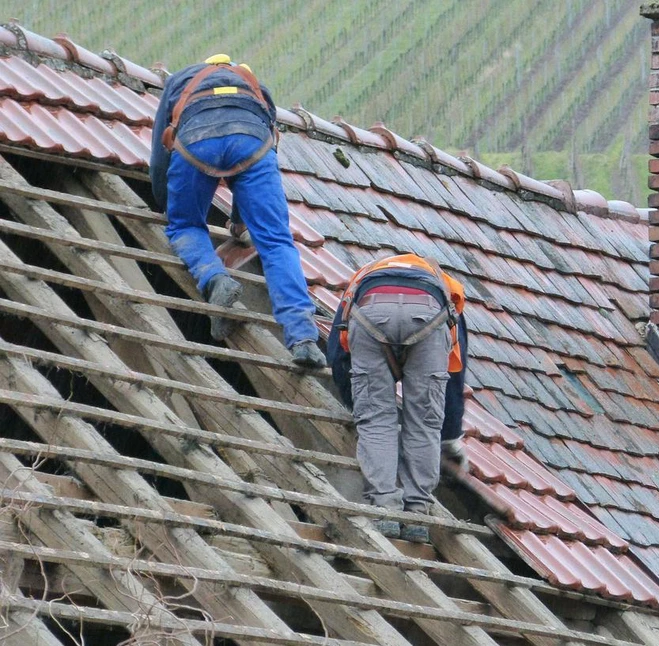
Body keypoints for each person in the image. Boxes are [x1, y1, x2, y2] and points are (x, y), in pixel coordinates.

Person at [150, 54, 325, 368]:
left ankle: (215, 279)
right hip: (252, 144)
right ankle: (304, 339)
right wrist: (240, 223)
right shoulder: (254, 85)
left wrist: (168, 205)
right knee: (275, 242)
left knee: (186, 227)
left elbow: (160, 154)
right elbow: (261, 152)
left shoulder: (180, 81)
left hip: (195, 141)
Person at [327, 254, 469, 542]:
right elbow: (455, 367)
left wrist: (357, 405)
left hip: (370, 312)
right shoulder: (448, 287)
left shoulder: (360, 281)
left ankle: (385, 510)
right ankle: (416, 513)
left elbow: (338, 354)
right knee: (424, 422)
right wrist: (451, 433)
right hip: (430, 314)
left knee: (377, 421)